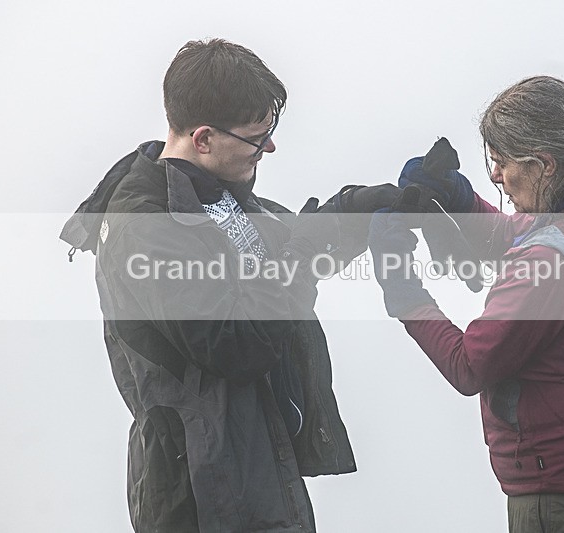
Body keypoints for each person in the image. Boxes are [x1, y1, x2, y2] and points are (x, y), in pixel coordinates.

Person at [61, 38, 398, 532]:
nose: (270, 147)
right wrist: (299, 258)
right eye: (257, 137)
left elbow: (284, 253)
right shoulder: (144, 225)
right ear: (203, 139)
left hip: (255, 466)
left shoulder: (216, 197)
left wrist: (357, 210)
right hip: (204, 489)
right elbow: (238, 341)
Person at [368, 76, 564, 532]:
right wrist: (460, 199)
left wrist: (403, 290)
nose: (496, 177)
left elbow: (470, 366)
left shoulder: (547, 265)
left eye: (501, 163)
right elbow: (529, 237)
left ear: (544, 164)